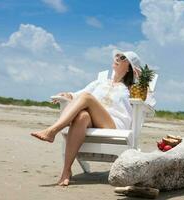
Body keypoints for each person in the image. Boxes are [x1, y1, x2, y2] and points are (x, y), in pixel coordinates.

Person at [30, 49, 143, 186]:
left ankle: (52, 130)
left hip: (113, 125)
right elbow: (78, 94)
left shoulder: (131, 88)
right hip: (93, 120)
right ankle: (66, 171)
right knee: (82, 116)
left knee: (87, 98)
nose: (117, 58)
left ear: (130, 68)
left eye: (123, 57)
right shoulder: (99, 83)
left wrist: (141, 81)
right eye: (117, 55)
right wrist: (67, 95)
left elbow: (147, 100)